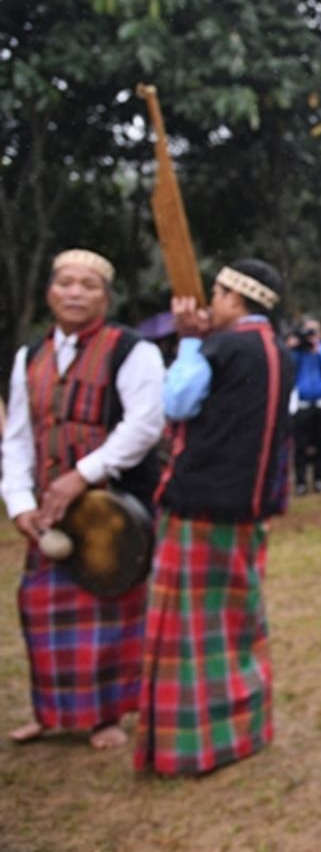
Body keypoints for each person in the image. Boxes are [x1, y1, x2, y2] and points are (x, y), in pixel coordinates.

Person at [2, 249, 164, 750]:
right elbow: (18, 437)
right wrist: (19, 500)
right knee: (41, 607)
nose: (75, 293)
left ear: (105, 297)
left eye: (88, 286)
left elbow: (144, 424)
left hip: (109, 508)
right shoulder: (31, 356)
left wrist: (82, 474)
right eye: (66, 283)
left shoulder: (132, 350)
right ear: (51, 292)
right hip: (49, 510)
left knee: (108, 608)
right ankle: (50, 712)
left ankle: (107, 715)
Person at [136, 258, 293, 775]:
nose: (209, 305)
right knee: (238, 622)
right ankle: (244, 727)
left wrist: (186, 340)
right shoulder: (282, 353)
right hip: (249, 509)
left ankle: (195, 744)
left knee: (189, 631)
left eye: (217, 295)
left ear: (234, 300)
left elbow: (176, 403)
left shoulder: (218, 347)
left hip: (199, 506)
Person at [288, 316, 321, 496]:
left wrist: (318, 351)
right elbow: (289, 368)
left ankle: (319, 479)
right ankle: (301, 481)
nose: (310, 336)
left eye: (314, 332)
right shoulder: (297, 352)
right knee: (300, 443)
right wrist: (294, 347)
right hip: (302, 402)